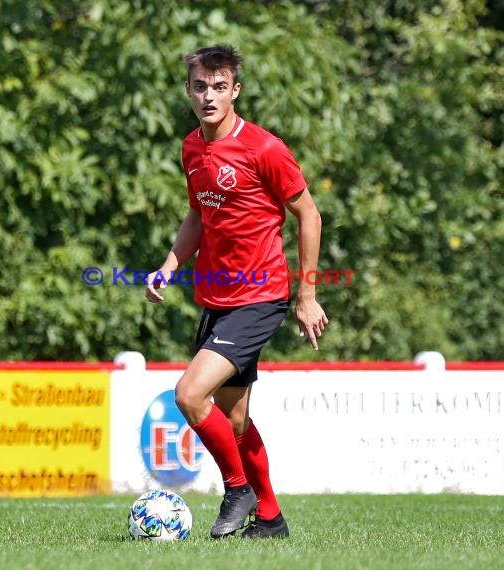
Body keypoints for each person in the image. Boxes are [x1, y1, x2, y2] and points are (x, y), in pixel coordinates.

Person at [145, 44, 328, 539]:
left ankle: (237, 489)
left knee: (189, 394)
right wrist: (168, 266)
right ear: (188, 90)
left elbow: (309, 214)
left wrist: (308, 295)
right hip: (215, 298)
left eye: (220, 87)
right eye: (200, 87)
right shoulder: (192, 149)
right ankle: (270, 519)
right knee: (236, 419)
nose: (209, 96)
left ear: (235, 91)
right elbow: (199, 216)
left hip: (260, 295)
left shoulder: (264, 148)